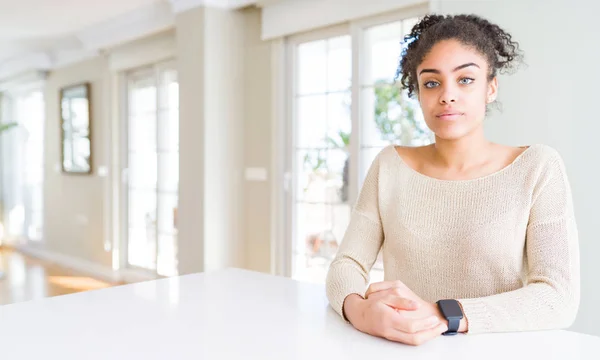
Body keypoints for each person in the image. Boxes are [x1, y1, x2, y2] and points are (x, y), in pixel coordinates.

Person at [325, 13, 580, 346]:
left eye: (465, 80)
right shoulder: (390, 166)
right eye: (432, 83)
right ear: (418, 91)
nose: (447, 95)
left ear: (491, 87)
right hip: (401, 351)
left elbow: (558, 298)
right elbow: (346, 264)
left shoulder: (537, 168)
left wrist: (442, 314)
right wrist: (360, 312)